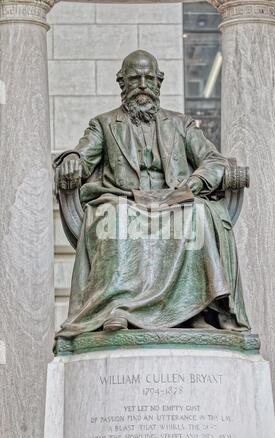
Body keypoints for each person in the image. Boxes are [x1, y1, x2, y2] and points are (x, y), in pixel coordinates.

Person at [57, 49, 250, 338]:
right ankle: (118, 307)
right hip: (124, 198)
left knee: (197, 212)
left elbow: (214, 160)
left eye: (150, 79)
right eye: (135, 79)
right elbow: (83, 159)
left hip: (174, 199)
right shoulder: (104, 124)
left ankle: (194, 308)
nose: (144, 86)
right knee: (116, 215)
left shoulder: (181, 124)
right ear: (122, 83)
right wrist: (71, 159)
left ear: (160, 82)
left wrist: (195, 183)